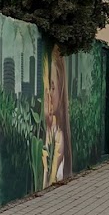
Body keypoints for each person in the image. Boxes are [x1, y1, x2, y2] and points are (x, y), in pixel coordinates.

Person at [41, 44, 73, 187]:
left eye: (52, 87)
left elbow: (47, 181)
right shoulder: (45, 132)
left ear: (61, 88)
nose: (47, 94)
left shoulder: (58, 138)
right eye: (45, 86)